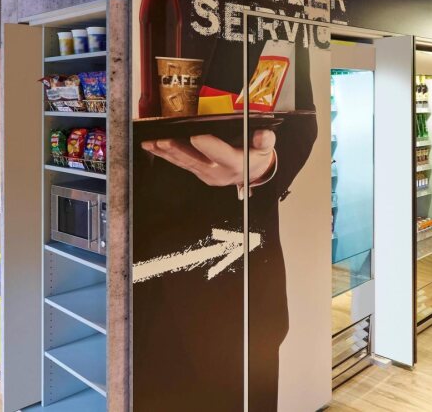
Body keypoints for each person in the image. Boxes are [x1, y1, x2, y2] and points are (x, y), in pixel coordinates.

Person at [133, 35, 318, 411]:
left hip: (233, 288)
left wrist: (263, 168)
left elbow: (302, 125)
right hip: (125, 274)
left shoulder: (269, 8)